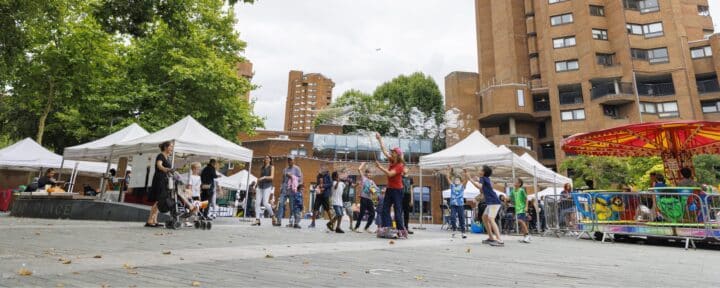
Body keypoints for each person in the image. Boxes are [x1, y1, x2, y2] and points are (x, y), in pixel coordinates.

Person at [374, 132, 407, 239]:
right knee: (384, 209)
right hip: (390, 189)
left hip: (398, 191)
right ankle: (386, 229)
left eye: (393, 152)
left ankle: (401, 231)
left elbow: (390, 174)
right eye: (391, 152)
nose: (391, 153)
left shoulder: (400, 166)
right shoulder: (392, 160)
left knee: (397, 212)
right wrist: (379, 139)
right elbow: (384, 150)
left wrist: (380, 167)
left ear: (397, 154)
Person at [465, 166, 503, 246]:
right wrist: (477, 180)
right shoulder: (485, 179)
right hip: (491, 202)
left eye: (480, 169)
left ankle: (499, 240)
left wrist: (469, 178)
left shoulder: (483, 178)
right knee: (484, 217)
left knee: (491, 219)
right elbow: (483, 189)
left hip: (494, 202)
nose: (478, 170)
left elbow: (480, 187)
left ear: (483, 172)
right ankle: (491, 238)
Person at [146, 141, 173, 228]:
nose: (172, 148)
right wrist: (165, 169)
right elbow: (159, 165)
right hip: (159, 180)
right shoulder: (160, 155)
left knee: (160, 200)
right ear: (165, 147)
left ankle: (154, 220)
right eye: (171, 146)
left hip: (164, 180)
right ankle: (150, 220)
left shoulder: (167, 157)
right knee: (159, 200)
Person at [277, 157, 303, 228]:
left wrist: (292, 176)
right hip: (285, 190)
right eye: (288, 160)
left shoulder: (297, 169)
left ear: (293, 160)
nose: (289, 161)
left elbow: (300, 179)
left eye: (291, 160)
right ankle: (278, 221)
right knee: (281, 204)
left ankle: (291, 222)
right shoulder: (285, 170)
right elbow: (283, 180)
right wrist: (281, 187)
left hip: (292, 190)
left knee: (292, 207)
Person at [444, 167, 467, 239]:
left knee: (461, 218)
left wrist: (465, 172)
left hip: (460, 204)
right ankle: (454, 230)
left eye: (458, 180)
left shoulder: (462, 186)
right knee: (453, 217)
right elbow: (447, 177)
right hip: (453, 204)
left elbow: (466, 179)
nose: (457, 181)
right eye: (456, 180)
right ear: (454, 181)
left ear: (460, 181)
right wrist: (448, 170)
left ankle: (463, 232)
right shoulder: (452, 185)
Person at [355, 162, 377, 233]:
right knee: (362, 213)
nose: (369, 174)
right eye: (368, 173)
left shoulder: (372, 182)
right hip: (364, 198)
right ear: (366, 174)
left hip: (369, 199)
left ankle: (366, 227)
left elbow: (374, 192)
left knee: (373, 214)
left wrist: (372, 190)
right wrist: (362, 164)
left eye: (370, 173)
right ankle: (357, 227)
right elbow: (359, 169)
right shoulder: (364, 178)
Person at [310, 164, 334, 229]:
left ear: (325, 169)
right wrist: (315, 186)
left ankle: (332, 222)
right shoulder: (318, 176)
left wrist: (323, 186)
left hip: (325, 195)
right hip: (319, 195)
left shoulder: (328, 176)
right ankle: (313, 223)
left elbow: (331, 184)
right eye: (321, 168)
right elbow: (318, 183)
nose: (321, 169)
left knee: (327, 209)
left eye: (322, 168)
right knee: (315, 208)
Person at [254, 156, 276, 226]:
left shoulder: (272, 167)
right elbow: (259, 177)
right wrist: (256, 185)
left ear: (270, 160)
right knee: (257, 203)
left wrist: (264, 177)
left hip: (267, 186)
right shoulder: (262, 167)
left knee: (265, 203)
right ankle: (257, 219)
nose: (266, 159)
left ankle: (272, 216)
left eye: (267, 158)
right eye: (265, 158)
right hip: (260, 186)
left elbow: (272, 177)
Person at [511, 178, 531, 243]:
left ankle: (528, 235)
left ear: (519, 184)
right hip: (517, 209)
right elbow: (512, 199)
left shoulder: (521, 190)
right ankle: (525, 237)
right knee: (520, 222)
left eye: (516, 181)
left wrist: (526, 207)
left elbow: (526, 199)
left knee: (521, 221)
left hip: (522, 208)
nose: (514, 182)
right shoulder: (513, 191)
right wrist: (507, 199)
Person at [401, 167, 415, 235]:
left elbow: (412, 189)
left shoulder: (410, 178)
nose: (405, 169)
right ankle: (400, 228)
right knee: (399, 212)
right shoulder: (400, 177)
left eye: (406, 168)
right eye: (404, 168)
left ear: (408, 170)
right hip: (401, 196)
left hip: (408, 196)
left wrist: (412, 199)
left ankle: (406, 228)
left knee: (406, 213)